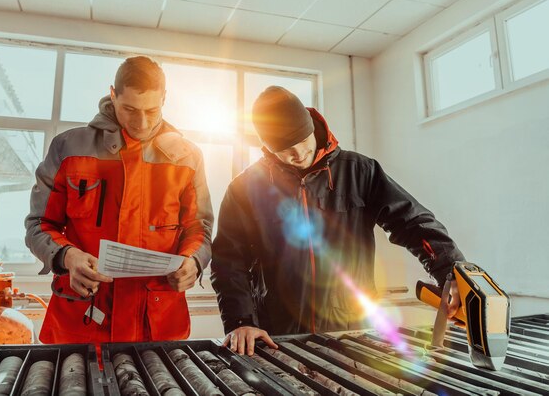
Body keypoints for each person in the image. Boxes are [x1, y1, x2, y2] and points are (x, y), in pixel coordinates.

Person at [211, 86, 465, 355]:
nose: (297, 153)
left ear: (313, 127)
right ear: (267, 148)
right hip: (278, 336)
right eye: (284, 149)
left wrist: (453, 273)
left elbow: (413, 222)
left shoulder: (360, 171)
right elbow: (228, 261)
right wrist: (241, 322)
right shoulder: (245, 188)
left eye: (302, 140)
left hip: (353, 331)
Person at [25, 56, 213, 345]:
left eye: (152, 110)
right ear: (112, 94)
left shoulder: (188, 157)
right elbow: (39, 224)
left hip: (157, 325)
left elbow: (198, 227)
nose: (142, 122)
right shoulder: (68, 148)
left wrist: (194, 262)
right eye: (129, 109)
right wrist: (67, 257)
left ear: (165, 98)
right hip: (83, 321)